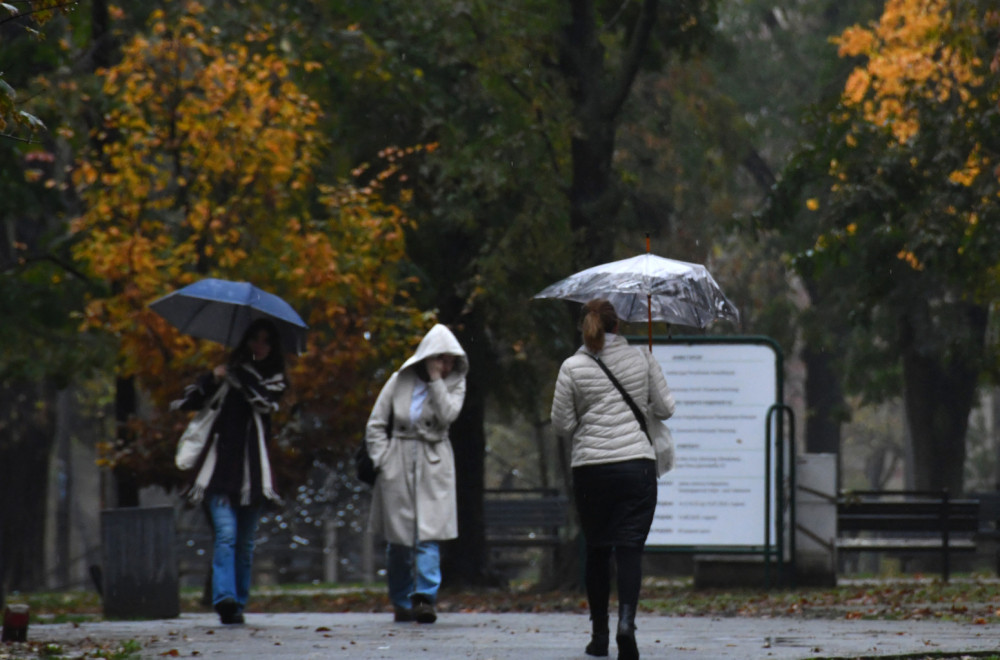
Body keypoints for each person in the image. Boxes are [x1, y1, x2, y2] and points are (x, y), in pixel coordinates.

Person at [550, 299, 675, 660]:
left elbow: (562, 425)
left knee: (598, 550)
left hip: (592, 470)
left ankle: (599, 635)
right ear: (618, 325)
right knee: (630, 548)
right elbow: (666, 408)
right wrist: (647, 378)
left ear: (586, 326)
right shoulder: (641, 358)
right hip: (636, 466)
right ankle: (626, 624)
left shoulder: (572, 366)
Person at [172, 318, 287, 625]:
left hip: (254, 476)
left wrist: (241, 373)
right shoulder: (224, 375)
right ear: (245, 341)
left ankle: (237, 602)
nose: (259, 345)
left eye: (266, 341)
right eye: (254, 339)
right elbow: (188, 401)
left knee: (245, 543)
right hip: (217, 473)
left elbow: (264, 400)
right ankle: (224, 598)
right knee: (226, 534)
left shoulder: (274, 378)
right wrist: (214, 376)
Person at [364, 323, 468, 624]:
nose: (446, 365)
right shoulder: (399, 380)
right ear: (427, 356)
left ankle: (425, 597)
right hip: (397, 460)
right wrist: (383, 460)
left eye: (450, 360)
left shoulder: (455, 383)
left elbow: (449, 414)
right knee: (399, 540)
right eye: (440, 359)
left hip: (434, 460)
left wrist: (437, 380)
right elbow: (375, 424)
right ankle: (400, 599)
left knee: (429, 534)